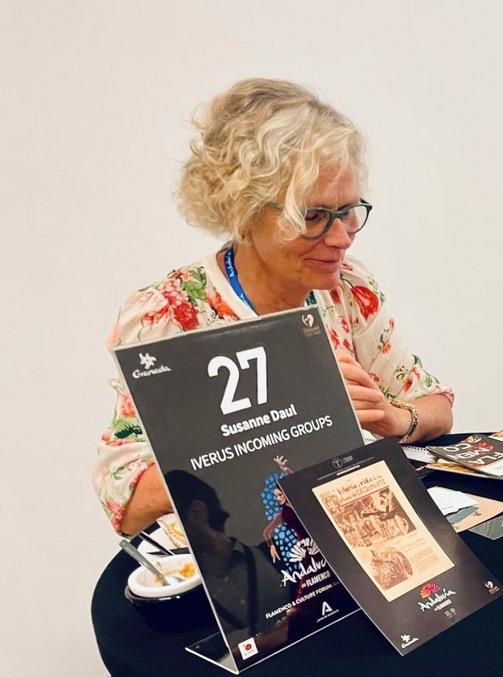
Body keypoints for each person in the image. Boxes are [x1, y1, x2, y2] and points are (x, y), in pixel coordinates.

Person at [94, 79, 454, 536]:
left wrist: (393, 417)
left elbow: (437, 405)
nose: (341, 237)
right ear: (243, 210)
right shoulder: (169, 314)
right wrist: (248, 445)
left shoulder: (345, 288)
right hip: (247, 567)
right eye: (312, 216)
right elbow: (124, 500)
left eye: (347, 211)